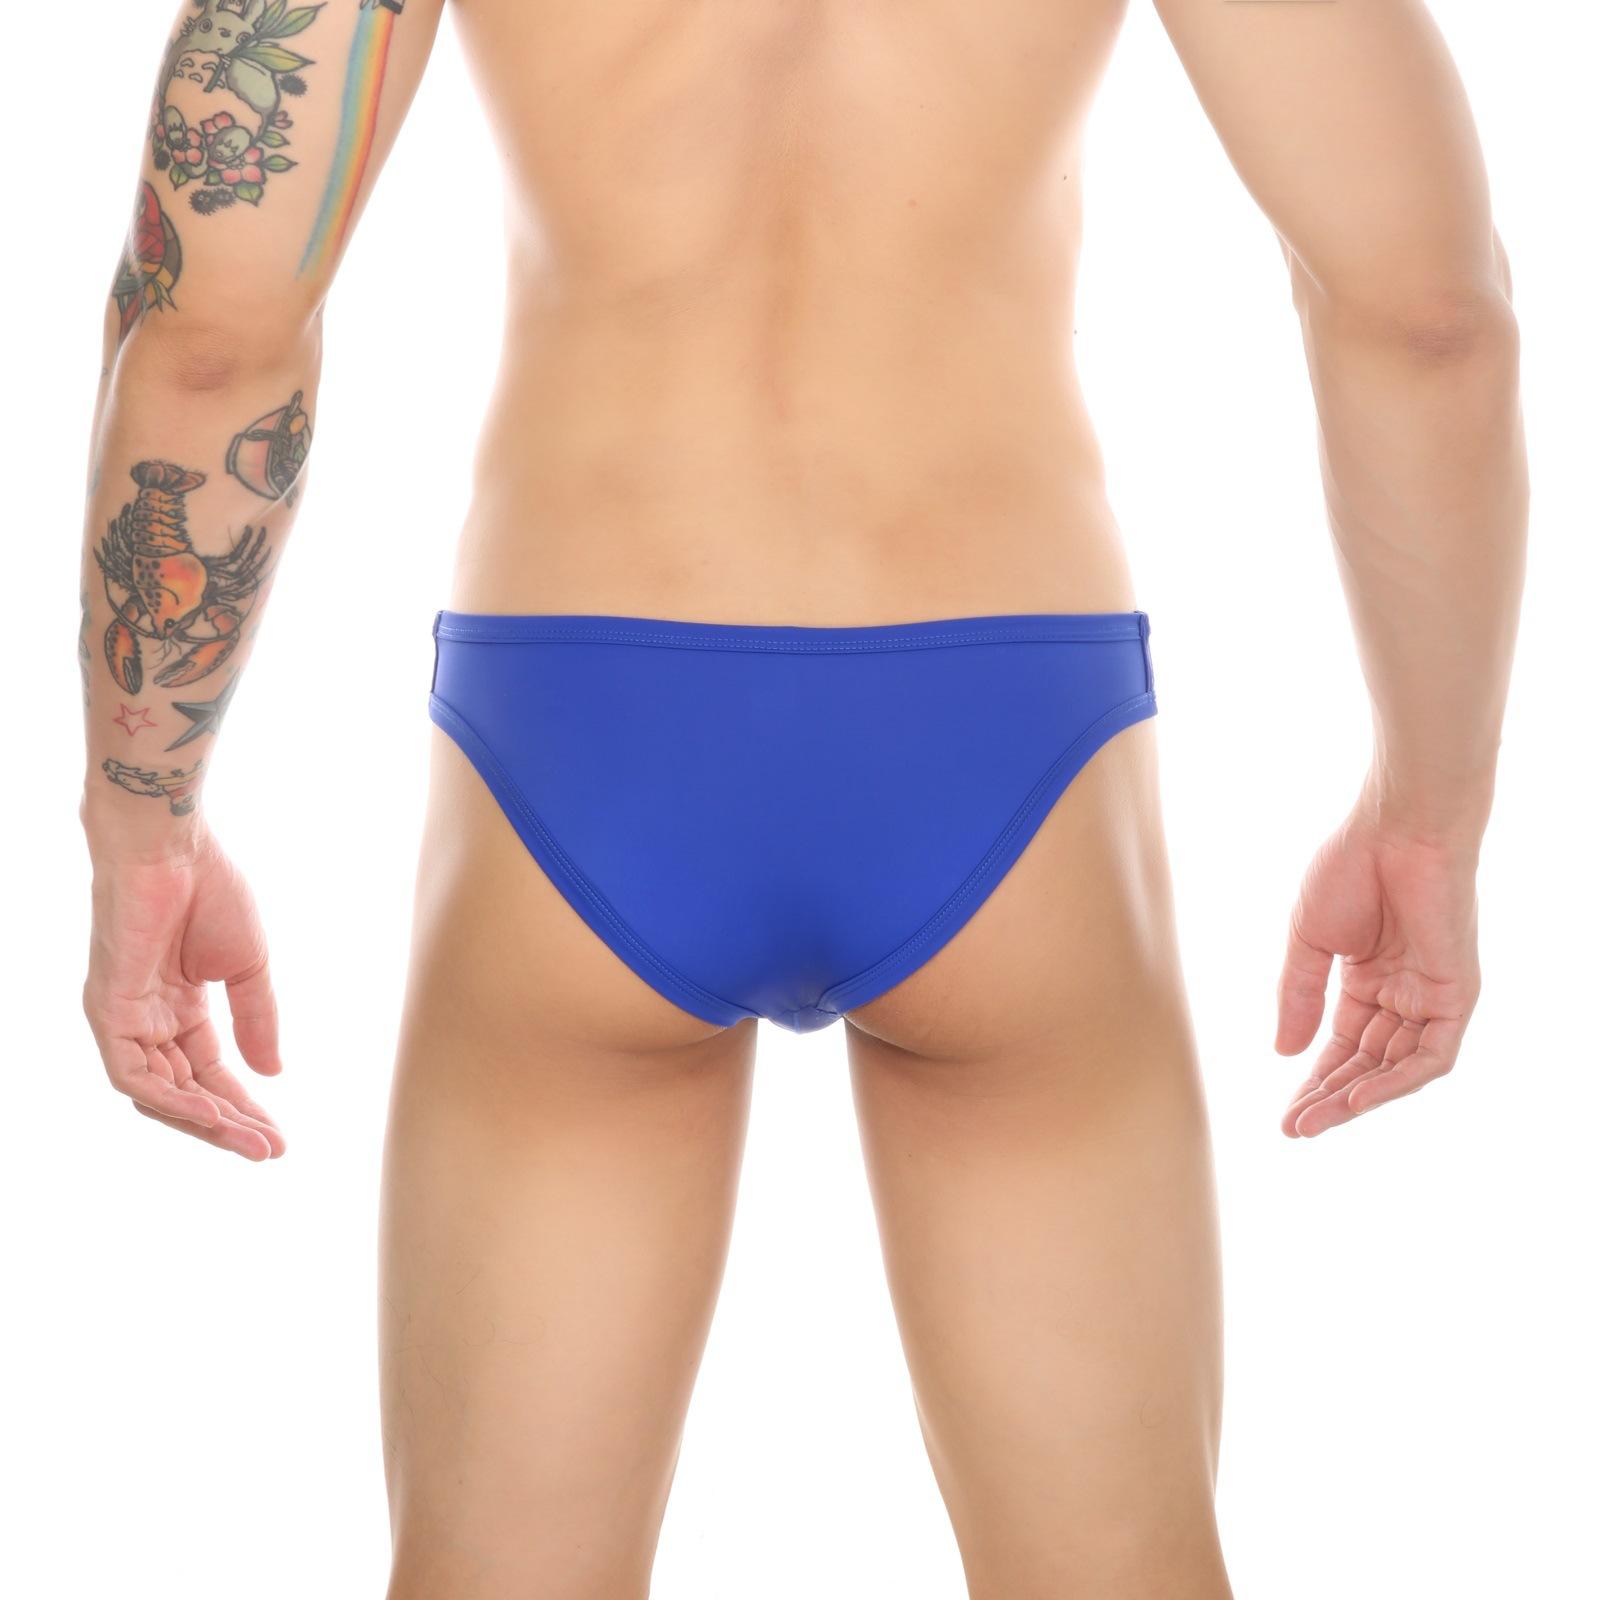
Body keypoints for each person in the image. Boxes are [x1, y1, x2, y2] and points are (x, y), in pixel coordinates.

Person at [79, 1, 1526, 1594]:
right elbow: (1426, 315)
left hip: (584, 710)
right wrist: (1430, 815)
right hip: (1004, 710)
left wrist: (146, 826)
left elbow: (210, 335)